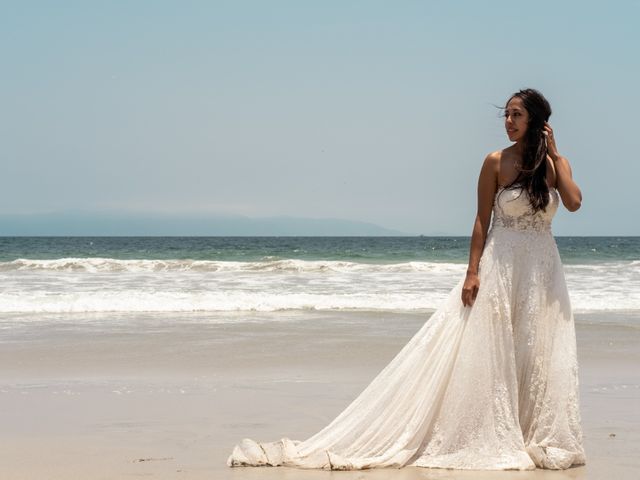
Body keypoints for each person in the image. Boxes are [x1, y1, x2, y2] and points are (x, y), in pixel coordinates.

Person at [227, 88, 587, 471]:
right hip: (502, 267)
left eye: (517, 115)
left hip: (543, 272)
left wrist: (556, 154)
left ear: (537, 121)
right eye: (507, 115)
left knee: (534, 352)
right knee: (494, 351)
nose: (509, 122)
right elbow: (482, 220)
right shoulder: (495, 161)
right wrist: (472, 272)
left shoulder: (554, 165)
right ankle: (495, 432)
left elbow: (574, 202)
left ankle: (533, 434)